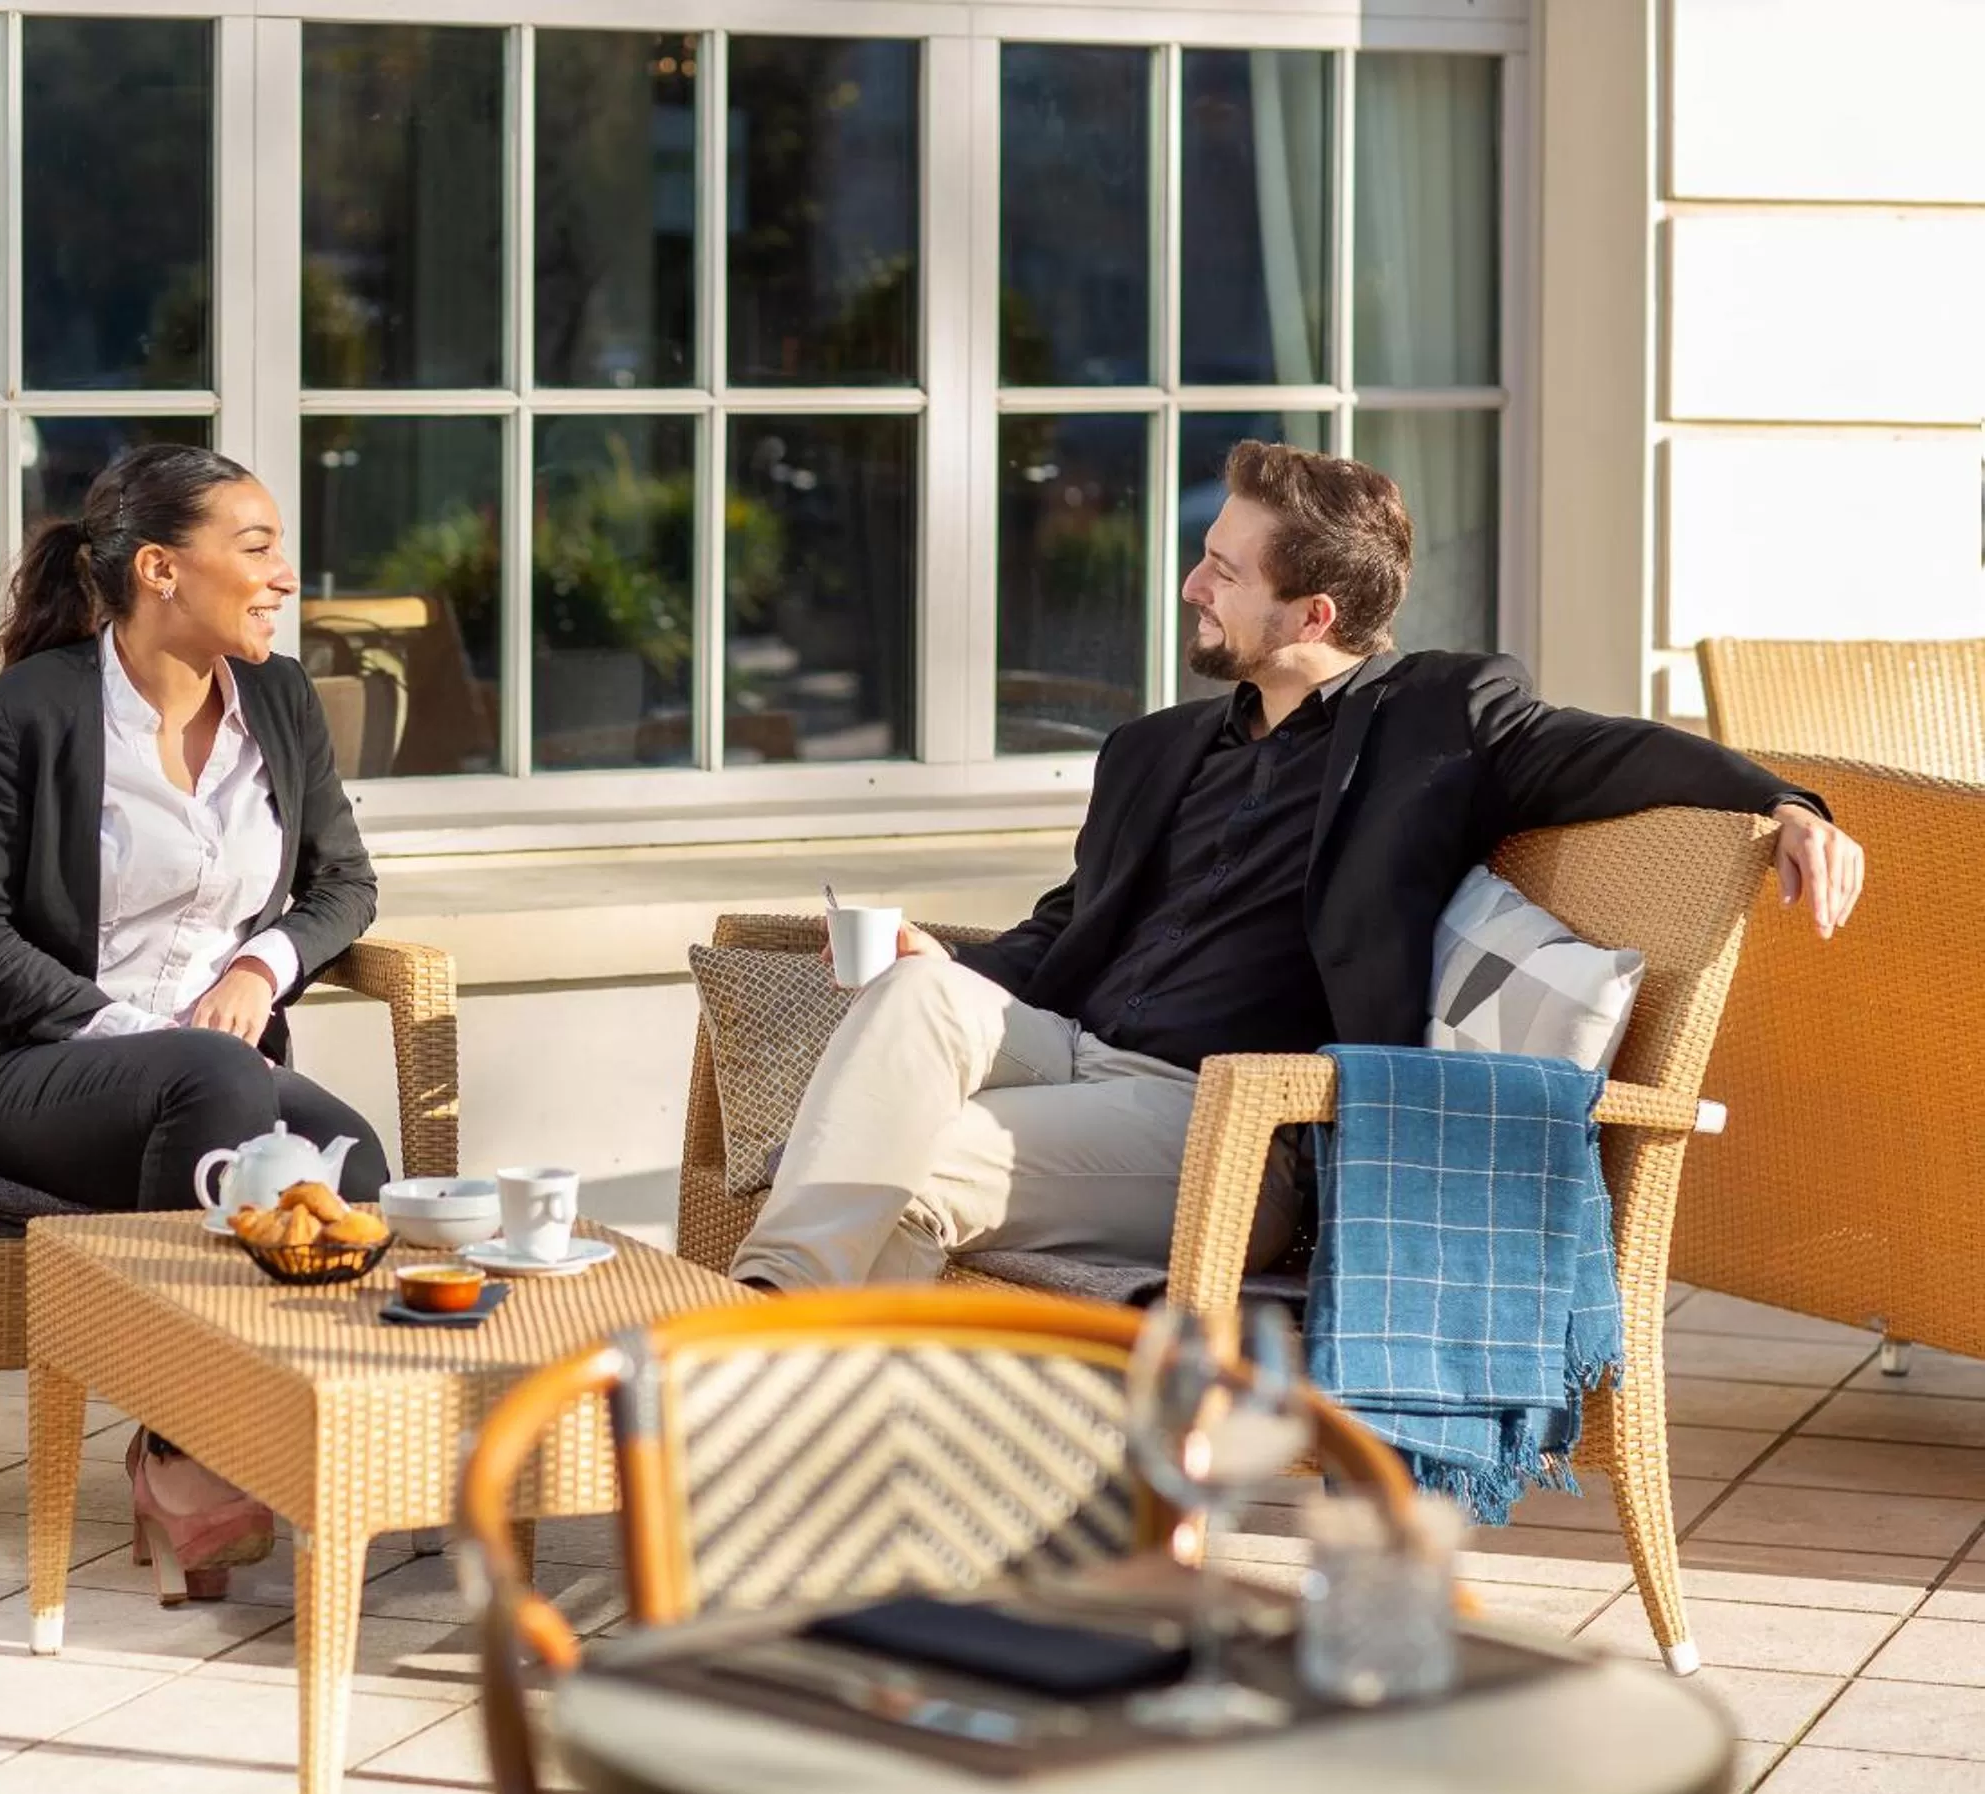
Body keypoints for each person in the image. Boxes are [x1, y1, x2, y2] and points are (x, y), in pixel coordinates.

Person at [730, 441, 1867, 1294]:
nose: (1193, 585)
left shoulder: (1438, 721)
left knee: (911, 1167)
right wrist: (946, 960)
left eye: (1224, 571)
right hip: (1072, 1055)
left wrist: (1785, 802)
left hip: (1231, 1125)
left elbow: (1616, 749)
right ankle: (773, 1340)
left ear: (1313, 612)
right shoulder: (1158, 749)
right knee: (919, 993)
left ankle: (751, 1349)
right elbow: (1066, 928)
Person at [0, 442, 390, 1600]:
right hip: (37, 1075)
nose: (284, 576)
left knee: (352, 1158)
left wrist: (260, 969)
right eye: (256, 547)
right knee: (217, 1085)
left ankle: (279, 1431)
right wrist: (144, 1038)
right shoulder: (24, 712)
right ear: (160, 569)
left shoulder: (279, 699)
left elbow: (343, 885)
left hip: (209, 1076)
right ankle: (190, 1440)